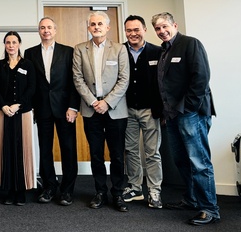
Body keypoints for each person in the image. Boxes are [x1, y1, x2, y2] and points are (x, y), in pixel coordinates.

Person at [151, 12, 219, 226]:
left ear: (175, 25)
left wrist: (187, 108)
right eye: (158, 28)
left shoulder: (190, 44)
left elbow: (201, 78)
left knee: (199, 162)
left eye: (165, 26)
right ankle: (191, 199)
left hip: (191, 114)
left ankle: (209, 209)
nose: (162, 31)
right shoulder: (164, 51)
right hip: (171, 116)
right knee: (181, 160)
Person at [72, 11, 129, 212]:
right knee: (96, 154)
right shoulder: (80, 49)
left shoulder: (120, 49)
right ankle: (100, 192)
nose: (96, 27)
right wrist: (93, 101)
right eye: (93, 24)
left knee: (117, 155)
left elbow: (124, 79)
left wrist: (107, 102)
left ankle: (118, 194)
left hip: (115, 110)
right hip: (91, 109)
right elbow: (77, 78)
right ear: (88, 27)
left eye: (100, 24)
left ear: (107, 27)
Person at [24, 17, 79, 206]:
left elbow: (74, 81)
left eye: (49, 27)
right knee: (45, 149)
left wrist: (73, 107)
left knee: (68, 149)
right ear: (39, 31)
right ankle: (49, 187)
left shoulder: (68, 51)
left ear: (55, 30)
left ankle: (67, 190)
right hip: (42, 108)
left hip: (65, 109)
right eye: (42, 27)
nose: (46, 30)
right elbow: (30, 83)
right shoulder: (30, 53)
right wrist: (30, 108)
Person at [122, 15, 164, 209]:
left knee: (152, 152)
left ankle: (154, 191)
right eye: (129, 30)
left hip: (150, 110)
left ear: (145, 30)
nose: (133, 33)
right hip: (127, 109)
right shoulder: (120, 51)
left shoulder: (158, 51)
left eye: (136, 29)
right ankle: (135, 187)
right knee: (130, 150)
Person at [0, 31, 36, 206]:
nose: (11, 45)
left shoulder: (28, 64)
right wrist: (3, 105)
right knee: (6, 149)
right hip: (3, 113)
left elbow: (32, 87)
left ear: (19, 44)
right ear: (4, 45)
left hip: (22, 112)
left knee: (22, 149)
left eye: (14, 42)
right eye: (8, 42)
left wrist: (18, 104)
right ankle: (9, 190)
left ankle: (21, 190)